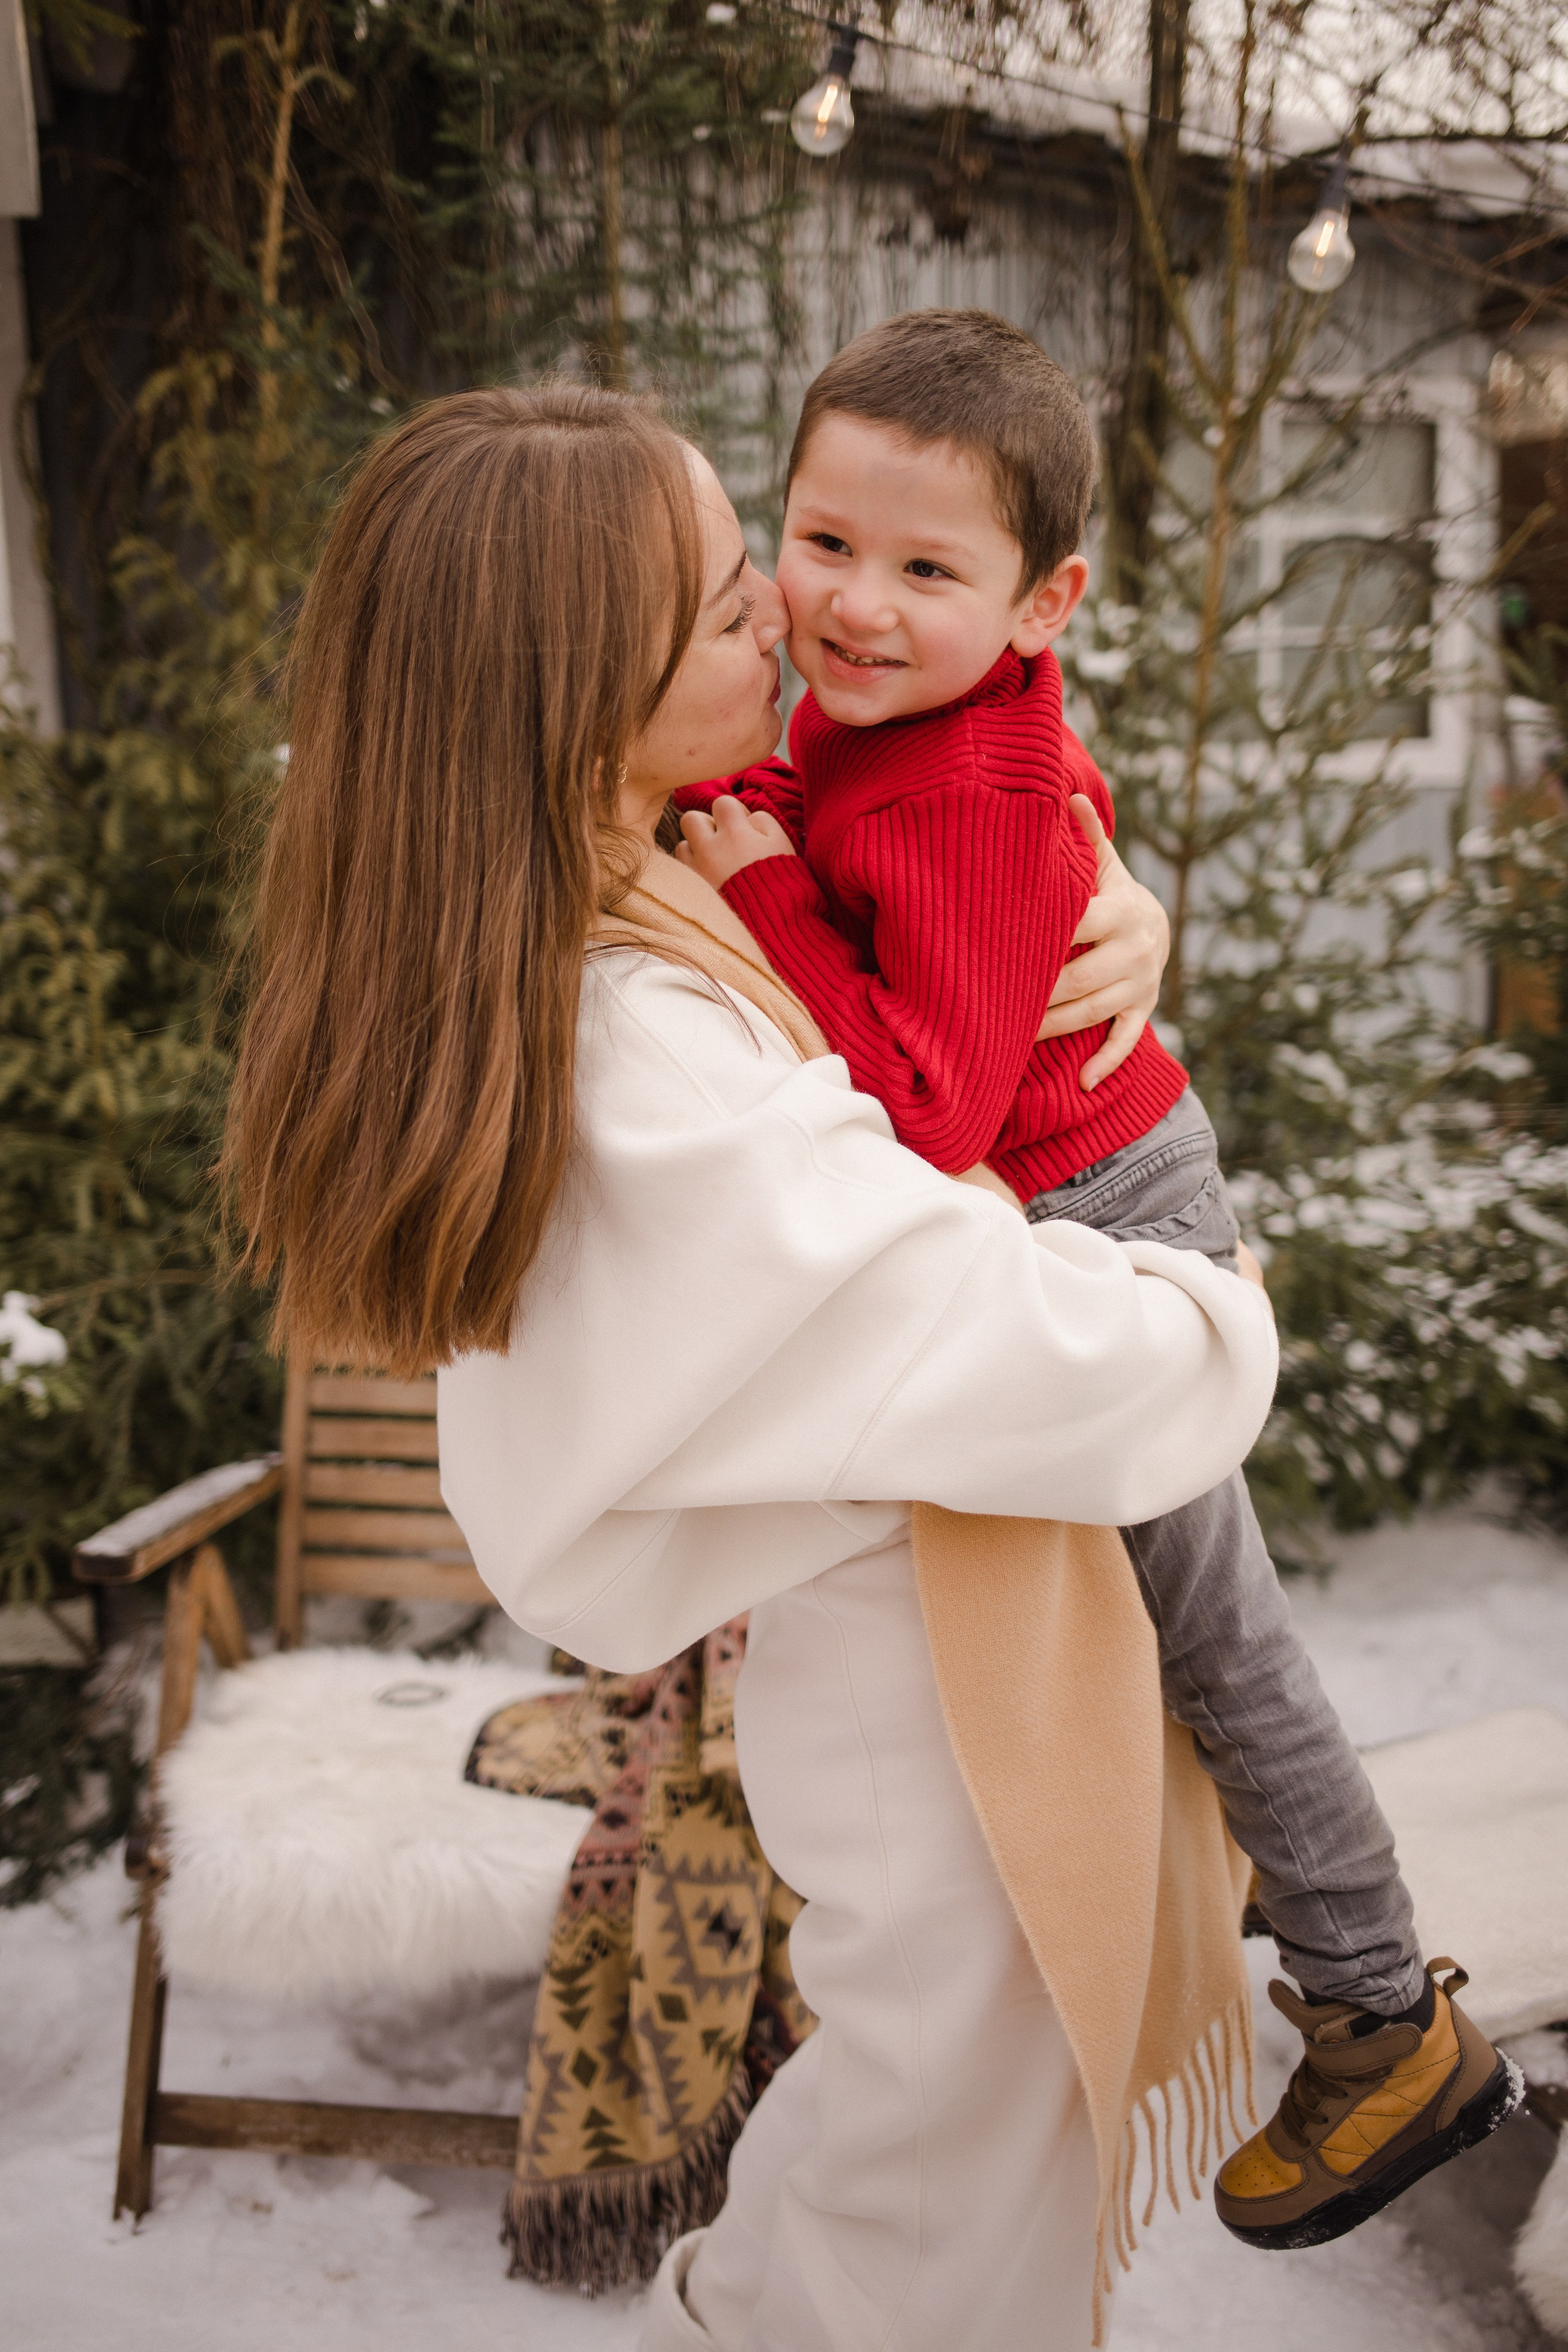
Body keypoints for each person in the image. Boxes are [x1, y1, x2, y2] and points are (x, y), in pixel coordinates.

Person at [224, 382, 1281, 2351]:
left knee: (906, 2165)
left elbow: (925, 1009)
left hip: (910, 1675)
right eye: (728, 609)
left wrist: (1093, 913)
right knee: (938, 2213)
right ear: (574, 701)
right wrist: (1216, 1281)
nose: (787, 624)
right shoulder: (649, 1053)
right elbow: (1037, 1337)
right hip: (933, 1716)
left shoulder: (669, 885)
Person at [671, 307, 1523, 2252]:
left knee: (1223, 1631)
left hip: (1117, 1221)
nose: (852, 609)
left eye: (925, 571)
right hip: (1069, 1194)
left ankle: (1388, 2018)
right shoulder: (899, 724)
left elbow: (928, 1097)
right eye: (822, 544)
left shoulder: (956, 784)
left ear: (1043, 598)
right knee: (1178, 1623)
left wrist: (763, 893)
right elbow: (1009, 805)